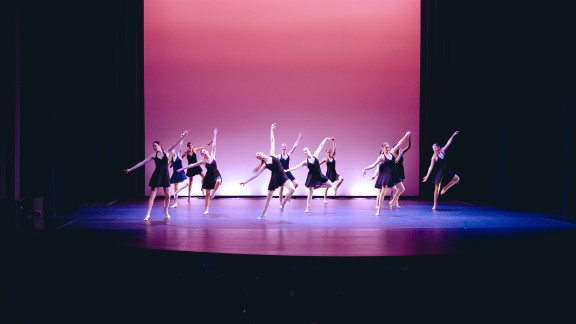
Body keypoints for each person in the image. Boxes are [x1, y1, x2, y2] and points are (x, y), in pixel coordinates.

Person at [124, 130, 189, 220]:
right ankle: (148, 214)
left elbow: (176, 143)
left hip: (165, 176)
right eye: (153, 146)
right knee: (152, 195)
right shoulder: (153, 155)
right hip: (157, 176)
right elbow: (142, 162)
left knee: (168, 195)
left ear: (160, 145)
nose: (154, 147)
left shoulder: (167, 152)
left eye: (155, 145)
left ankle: (165, 210)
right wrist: (130, 169)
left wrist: (183, 136)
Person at [362, 131, 411, 215]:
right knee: (382, 193)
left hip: (394, 173)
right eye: (386, 148)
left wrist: (406, 136)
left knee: (402, 188)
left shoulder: (391, 152)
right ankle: (378, 210)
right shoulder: (381, 157)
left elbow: (399, 144)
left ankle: (392, 201)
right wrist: (365, 168)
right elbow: (374, 165)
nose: (388, 149)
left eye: (388, 147)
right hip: (386, 175)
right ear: (383, 148)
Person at [240, 152, 296, 219]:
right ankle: (264, 213)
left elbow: (272, 141)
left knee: (292, 189)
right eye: (257, 157)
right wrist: (246, 182)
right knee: (268, 197)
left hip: (282, 175)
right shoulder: (264, 165)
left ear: (262, 153)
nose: (258, 156)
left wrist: (272, 140)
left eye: (258, 154)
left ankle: (283, 203)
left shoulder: (272, 155)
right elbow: (256, 175)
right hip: (274, 178)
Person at [177, 128, 221, 215]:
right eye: (202, 153)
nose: (204, 153)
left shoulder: (212, 155)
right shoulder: (202, 161)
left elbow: (214, 145)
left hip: (216, 174)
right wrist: (182, 169)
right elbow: (191, 165)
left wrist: (215, 134)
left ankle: (214, 193)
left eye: (204, 152)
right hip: (208, 176)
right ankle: (206, 209)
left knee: (219, 181)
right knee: (205, 194)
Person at [285, 137, 333, 213]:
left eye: (306, 151)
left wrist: (326, 139)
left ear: (309, 150)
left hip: (319, 175)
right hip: (311, 177)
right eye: (304, 152)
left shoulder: (315, 155)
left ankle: (318, 186)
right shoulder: (305, 162)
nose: (305, 152)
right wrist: (287, 170)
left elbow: (320, 146)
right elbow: (296, 167)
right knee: (310, 193)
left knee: (330, 185)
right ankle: (307, 208)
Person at [422, 131, 460, 210]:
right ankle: (435, 205)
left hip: (444, 171)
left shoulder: (442, 151)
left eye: (435, 147)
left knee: (456, 178)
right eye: (433, 148)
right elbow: (430, 167)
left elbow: (448, 143)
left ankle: (445, 187)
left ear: (438, 147)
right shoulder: (434, 157)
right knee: (437, 188)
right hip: (438, 173)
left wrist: (453, 135)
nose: (434, 149)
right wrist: (427, 176)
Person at [270, 123, 301, 204]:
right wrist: (272, 131)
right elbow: (272, 142)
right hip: (281, 173)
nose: (284, 148)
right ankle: (281, 203)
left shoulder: (288, 155)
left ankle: (289, 195)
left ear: (286, 148)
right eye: (283, 147)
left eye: (285, 147)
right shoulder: (278, 156)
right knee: (281, 189)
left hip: (288, 172)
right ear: (281, 148)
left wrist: (298, 138)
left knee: (296, 184)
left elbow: (294, 147)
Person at [389, 133, 411, 208]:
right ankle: (391, 201)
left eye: (397, 148)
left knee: (400, 188)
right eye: (396, 148)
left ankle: (395, 202)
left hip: (399, 171)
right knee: (393, 188)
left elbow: (407, 146)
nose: (397, 148)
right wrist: (405, 135)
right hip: (393, 171)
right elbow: (400, 143)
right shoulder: (391, 153)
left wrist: (408, 137)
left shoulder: (400, 153)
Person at [319, 138, 344, 203]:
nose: (329, 153)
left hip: (334, 173)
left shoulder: (333, 157)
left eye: (330, 152)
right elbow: (318, 164)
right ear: (326, 153)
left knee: (341, 179)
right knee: (326, 188)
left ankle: (336, 188)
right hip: (328, 174)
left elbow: (335, 148)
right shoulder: (325, 159)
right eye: (328, 152)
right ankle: (325, 199)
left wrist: (333, 141)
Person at [168, 138, 189, 208]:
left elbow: (181, 145)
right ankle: (175, 203)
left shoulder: (179, 155)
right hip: (175, 173)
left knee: (187, 183)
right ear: (170, 152)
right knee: (175, 188)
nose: (173, 150)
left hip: (181, 172)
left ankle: (178, 191)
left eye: (174, 149)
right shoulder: (171, 159)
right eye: (171, 150)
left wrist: (182, 137)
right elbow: (166, 165)